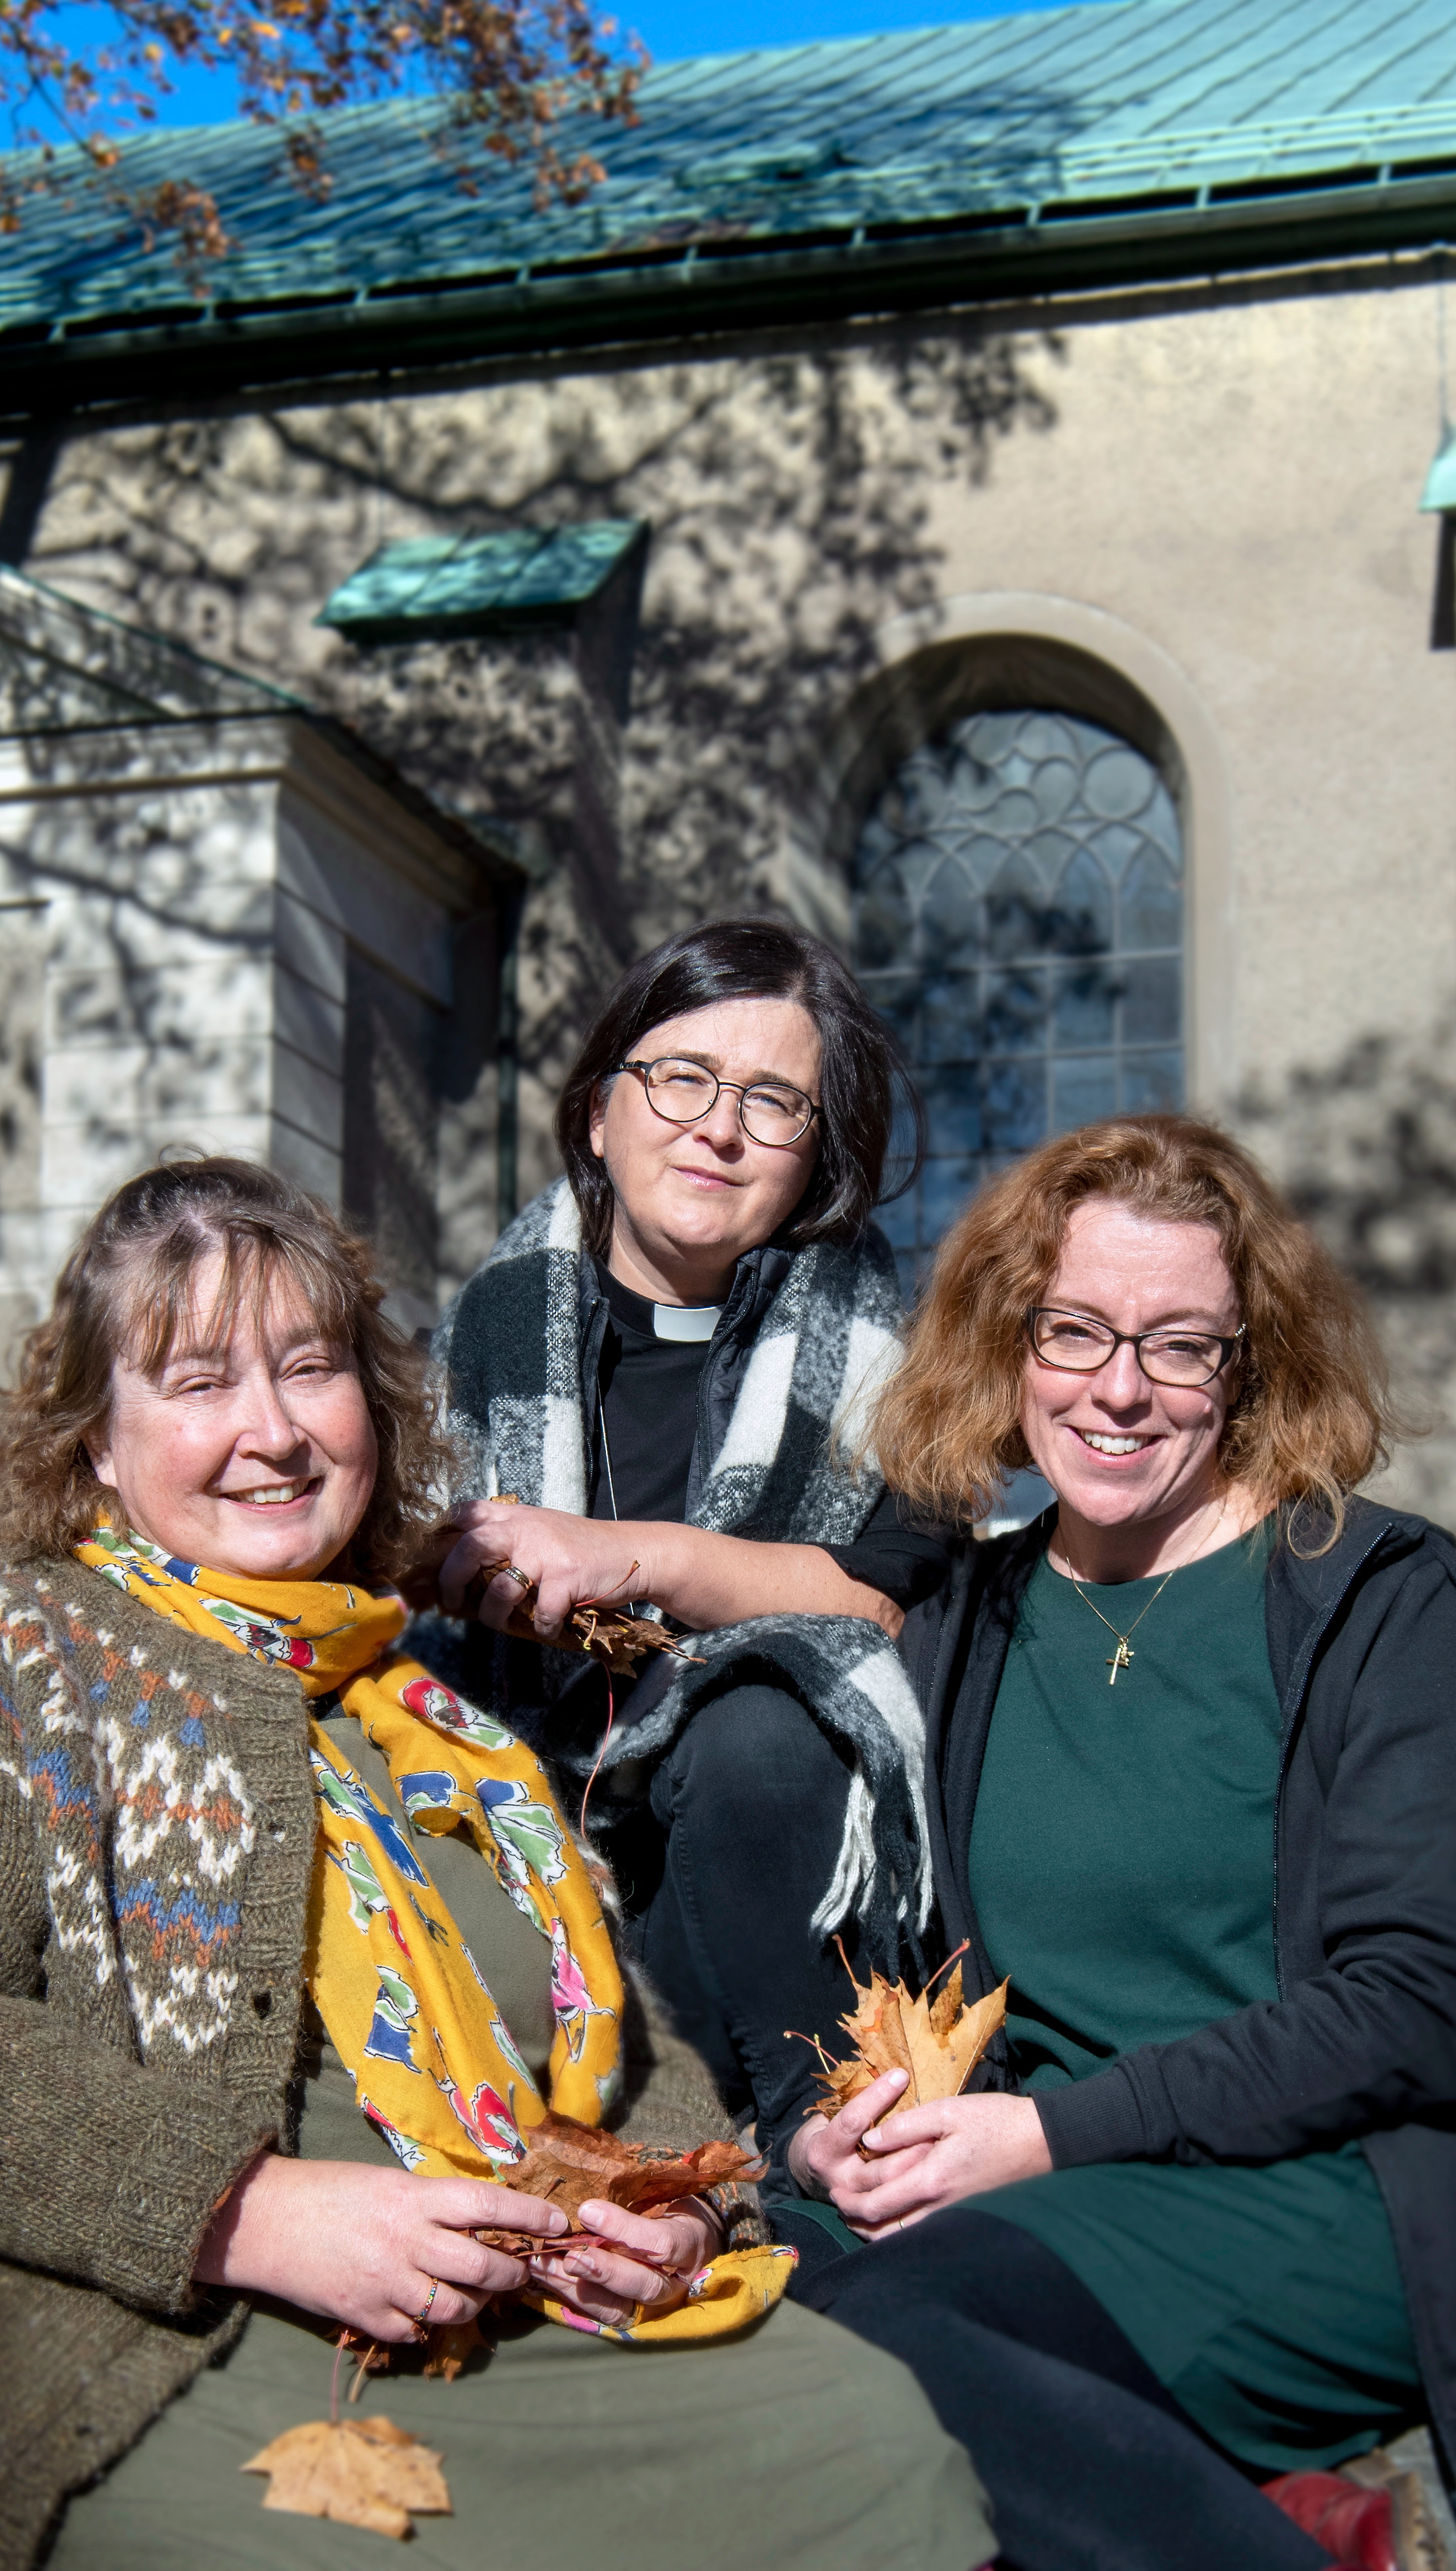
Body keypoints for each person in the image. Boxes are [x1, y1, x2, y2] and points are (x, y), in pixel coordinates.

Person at [0, 1156, 992, 2571]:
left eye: (307, 1367)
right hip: (155, 2332)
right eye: (198, 1380)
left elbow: (621, 2050)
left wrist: (678, 2210)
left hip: (518, 2310)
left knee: (871, 2435)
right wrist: (244, 2209)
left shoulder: (444, 1724)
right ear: (96, 1439)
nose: (268, 1430)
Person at [767, 1115, 1456, 2571]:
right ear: (1007, 1339)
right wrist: (828, 2124)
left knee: (888, 2341)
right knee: (735, 2300)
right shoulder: (970, 1620)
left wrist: (1045, 2131)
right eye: (1077, 1328)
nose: (1121, 1386)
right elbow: (886, 1958)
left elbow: (1434, 1998)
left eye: (1181, 1346)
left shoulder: (1369, 1593)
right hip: (1044, 2184)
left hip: (1315, 2193)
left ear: (1249, 1366)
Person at [432, 918, 942, 2156]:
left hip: (756, 1890)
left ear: (815, 1160)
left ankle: (828, 2162)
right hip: (524, 1842)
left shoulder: (894, 1369)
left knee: (765, 1731)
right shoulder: (474, 1346)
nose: (718, 1126)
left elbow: (872, 1600)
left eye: (774, 1103)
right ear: (602, 1111)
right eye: (681, 1078)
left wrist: (631, 1556)